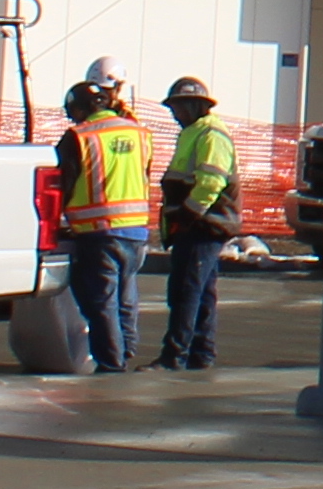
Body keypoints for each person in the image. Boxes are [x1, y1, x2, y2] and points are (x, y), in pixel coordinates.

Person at [54, 76, 155, 379]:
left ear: (81, 109)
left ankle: (112, 362)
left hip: (99, 231)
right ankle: (126, 348)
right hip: (136, 229)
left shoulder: (79, 136)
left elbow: (65, 183)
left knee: (101, 301)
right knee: (125, 295)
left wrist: (59, 220)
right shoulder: (139, 132)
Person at [151, 75, 242, 374]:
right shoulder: (196, 132)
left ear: (194, 106)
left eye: (178, 107)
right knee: (201, 292)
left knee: (186, 291)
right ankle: (201, 354)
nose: (174, 114)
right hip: (200, 225)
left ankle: (174, 356)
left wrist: (188, 215)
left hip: (202, 226)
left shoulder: (210, 135)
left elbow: (211, 182)